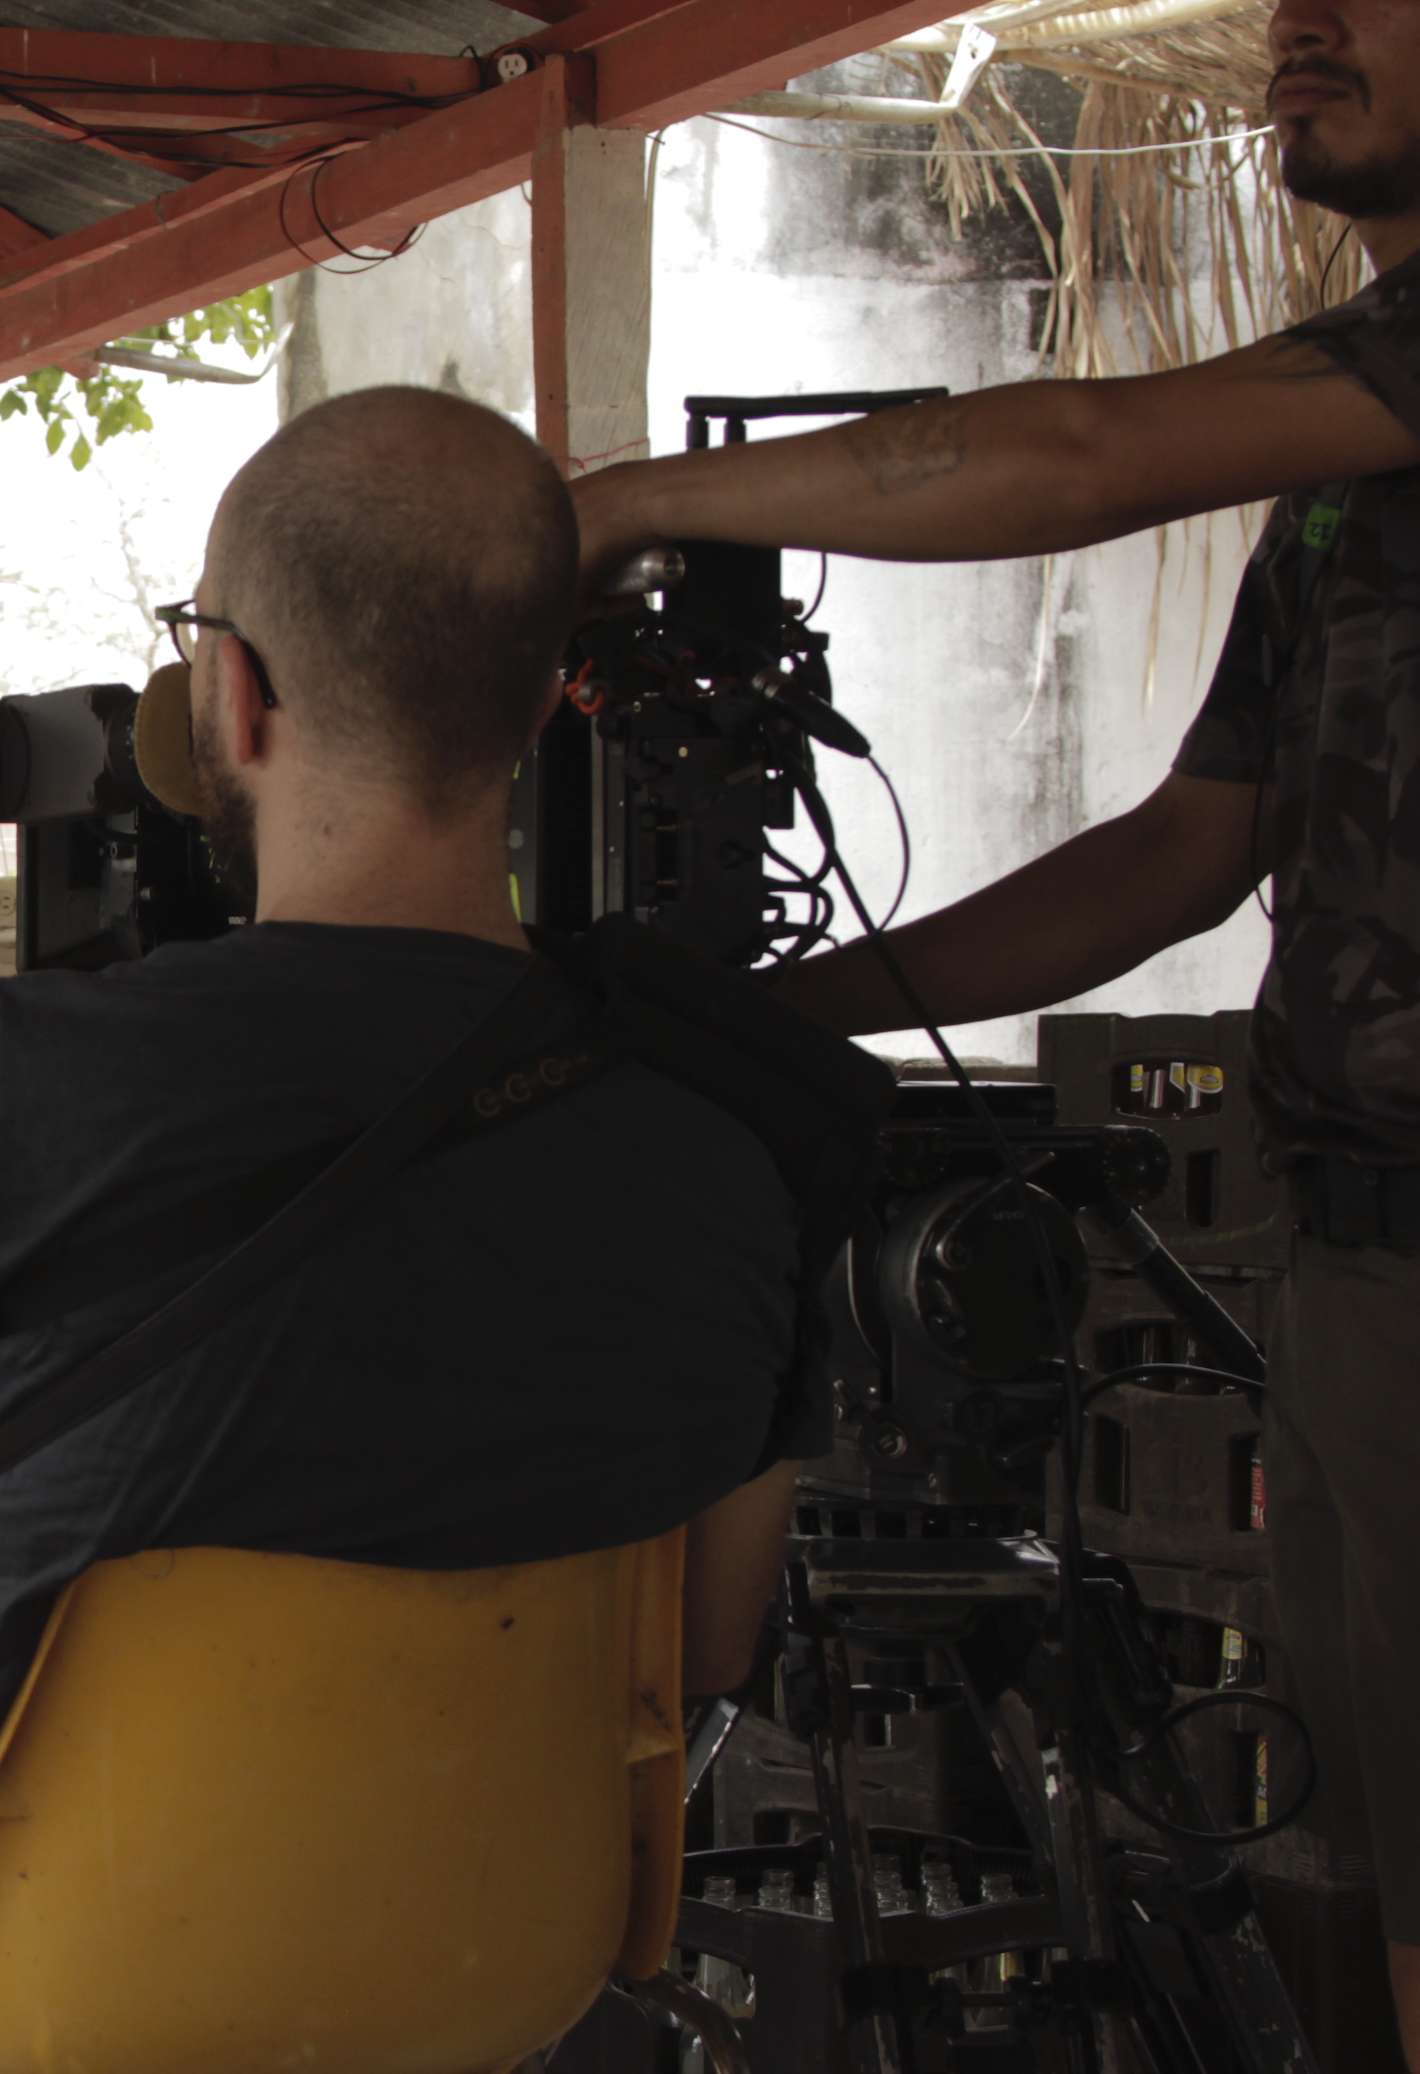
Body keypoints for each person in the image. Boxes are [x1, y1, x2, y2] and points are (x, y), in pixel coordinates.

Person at [0, 388, 825, 2074]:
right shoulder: (738, 1131)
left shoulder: (14, 1078)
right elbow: (702, 1643)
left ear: (231, 694)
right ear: (546, 702)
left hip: (38, 1947)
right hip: (500, 1950)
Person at [568, 2, 1420, 2053]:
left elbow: (1079, 456)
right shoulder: (1340, 476)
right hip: (1357, 1261)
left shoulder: (1353, 402)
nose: (1301, 20)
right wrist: (787, 1015)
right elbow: (1183, 854)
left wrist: (608, 507)